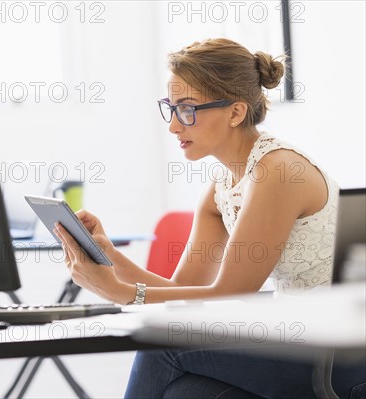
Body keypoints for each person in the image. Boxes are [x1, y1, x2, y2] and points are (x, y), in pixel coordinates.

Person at [53, 38, 365, 398]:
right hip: (296, 341)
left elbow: (231, 295)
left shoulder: (278, 171)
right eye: (170, 109)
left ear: (235, 112)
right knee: (184, 392)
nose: (173, 126)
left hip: (339, 357)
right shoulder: (221, 187)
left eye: (187, 109)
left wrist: (120, 292)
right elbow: (185, 292)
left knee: (168, 344)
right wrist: (108, 257)